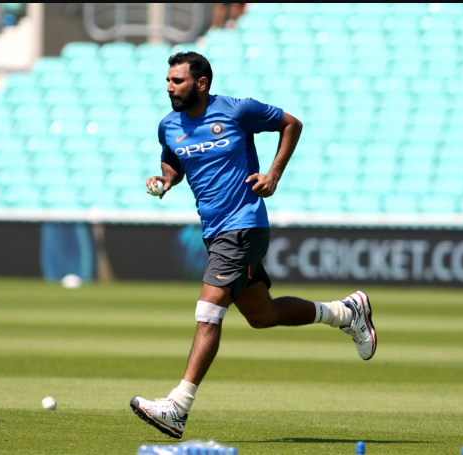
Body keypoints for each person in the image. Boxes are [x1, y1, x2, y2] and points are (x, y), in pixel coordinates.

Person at [130, 52, 377, 439]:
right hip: (215, 232)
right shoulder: (168, 126)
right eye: (168, 80)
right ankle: (346, 313)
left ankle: (177, 408)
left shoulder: (237, 111)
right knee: (263, 315)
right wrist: (164, 181)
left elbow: (291, 124)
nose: (169, 87)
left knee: (208, 310)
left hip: (243, 226)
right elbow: (174, 162)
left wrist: (274, 174)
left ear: (202, 83)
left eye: (177, 81)